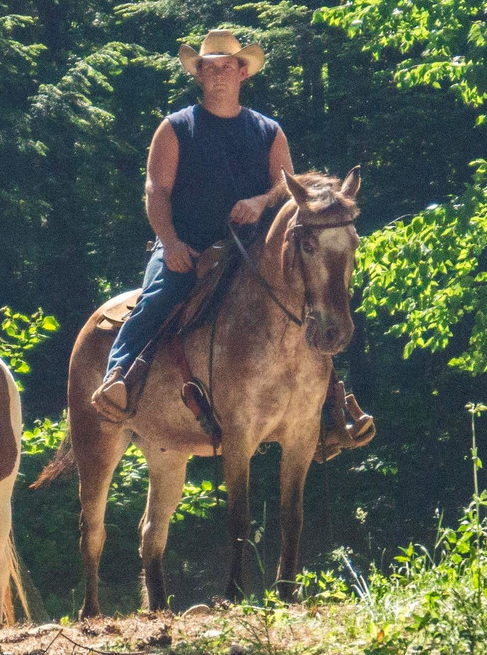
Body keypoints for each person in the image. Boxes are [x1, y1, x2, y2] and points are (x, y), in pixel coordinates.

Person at [92, 29, 371, 452]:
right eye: (210, 68)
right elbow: (156, 190)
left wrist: (260, 204)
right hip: (186, 248)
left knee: (306, 307)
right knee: (159, 298)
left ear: (243, 72)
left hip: (251, 252)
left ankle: (333, 410)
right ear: (199, 75)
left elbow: (288, 193)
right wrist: (169, 242)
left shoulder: (268, 132)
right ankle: (119, 378)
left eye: (227, 66)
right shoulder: (175, 128)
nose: (219, 74)